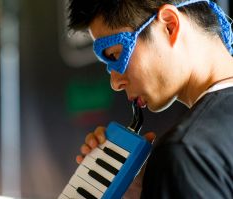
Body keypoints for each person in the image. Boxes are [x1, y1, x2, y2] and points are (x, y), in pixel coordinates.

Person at [67, 0, 233, 198]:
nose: (115, 83)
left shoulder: (186, 152)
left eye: (115, 54)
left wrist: (169, 172)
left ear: (169, 26)